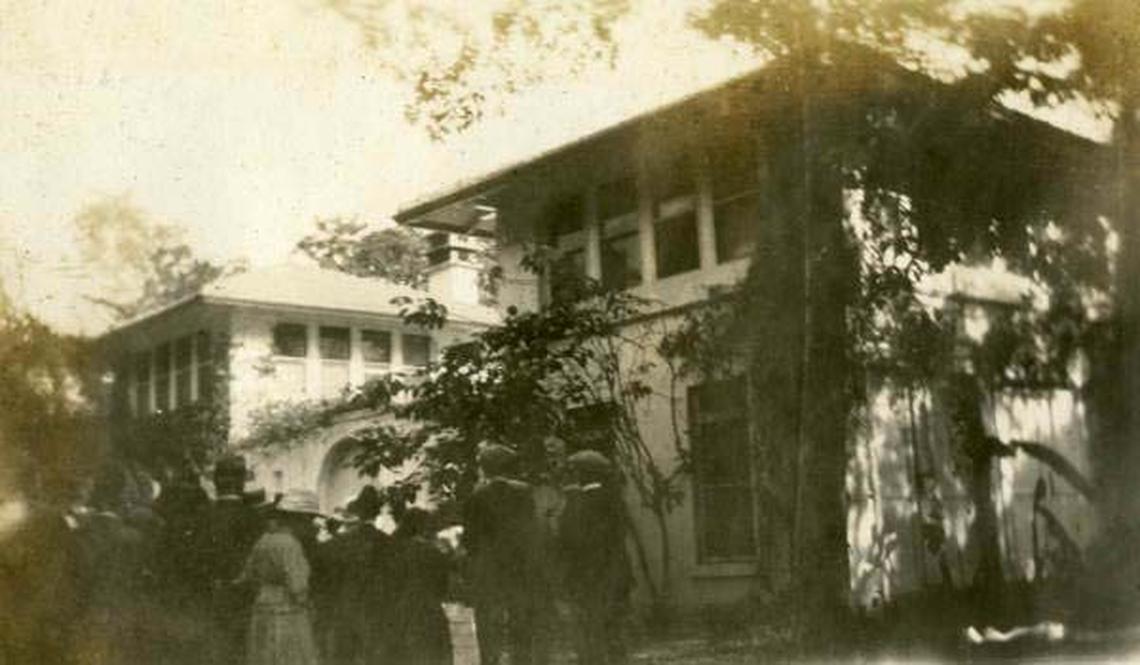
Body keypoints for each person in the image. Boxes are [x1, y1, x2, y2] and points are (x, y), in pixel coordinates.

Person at [463, 443, 542, 665]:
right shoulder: (524, 491)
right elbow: (531, 532)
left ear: (485, 469)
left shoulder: (476, 496)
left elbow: (470, 540)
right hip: (519, 568)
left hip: (489, 571)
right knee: (521, 621)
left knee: (489, 624)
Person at [559, 450, 633, 665]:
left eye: (573, 472)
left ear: (582, 474)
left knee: (589, 637)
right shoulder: (615, 499)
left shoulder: (577, 503)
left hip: (588, 579)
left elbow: (568, 539)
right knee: (615, 634)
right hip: (616, 576)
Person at [239, 489, 321, 665]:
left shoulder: (264, 540)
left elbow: (247, 575)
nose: (310, 525)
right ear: (298, 519)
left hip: (262, 605)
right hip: (287, 610)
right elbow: (298, 586)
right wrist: (309, 606)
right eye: (309, 520)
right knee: (289, 656)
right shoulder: (290, 545)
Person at [319, 485, 395, 665]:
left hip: (346, 608)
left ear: (358, 511)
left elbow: (327, 575)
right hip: (378, 610)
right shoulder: (389, 543)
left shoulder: (339, 543)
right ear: (377, 513)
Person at [202, 455, 264, 665]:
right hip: (245, 596)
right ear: (242, 482)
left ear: (216, 481)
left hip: (208, 595)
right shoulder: (255, 518)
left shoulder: (203, 514)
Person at [389, 507, 454, 665]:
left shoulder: (392, 550)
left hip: (398, 614)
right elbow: (443, 588)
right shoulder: (432, 552)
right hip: (429, 613)